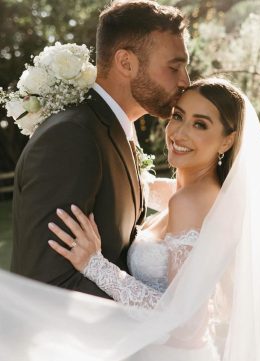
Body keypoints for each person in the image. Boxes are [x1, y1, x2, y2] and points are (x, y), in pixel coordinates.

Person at [42, 77, 260, 361]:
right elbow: (154, 189)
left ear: (227, 141)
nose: (179, 132)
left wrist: (94, 265)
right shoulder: (198, 195)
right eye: (178, 116)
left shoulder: (189, 202)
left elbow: (184, 325)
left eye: (200, 125)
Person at [10, 0, 189, 298]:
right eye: (174, 67)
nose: (185, 81)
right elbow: (47, 285)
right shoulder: (71, 137)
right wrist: (157, 317)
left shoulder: (117, 129)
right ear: (125, 63)